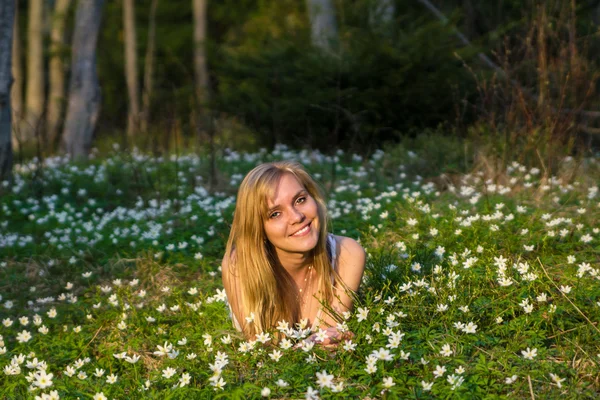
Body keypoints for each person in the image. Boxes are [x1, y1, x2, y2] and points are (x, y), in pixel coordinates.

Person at [221, 161, 366, 343]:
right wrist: (315, 344)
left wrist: (319, 343)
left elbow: (332, 341)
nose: (297, 217)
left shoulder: (347, 254)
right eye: (275, 214)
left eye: (300, 200)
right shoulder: (240, 266)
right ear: (259, 229)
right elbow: (262, 351)